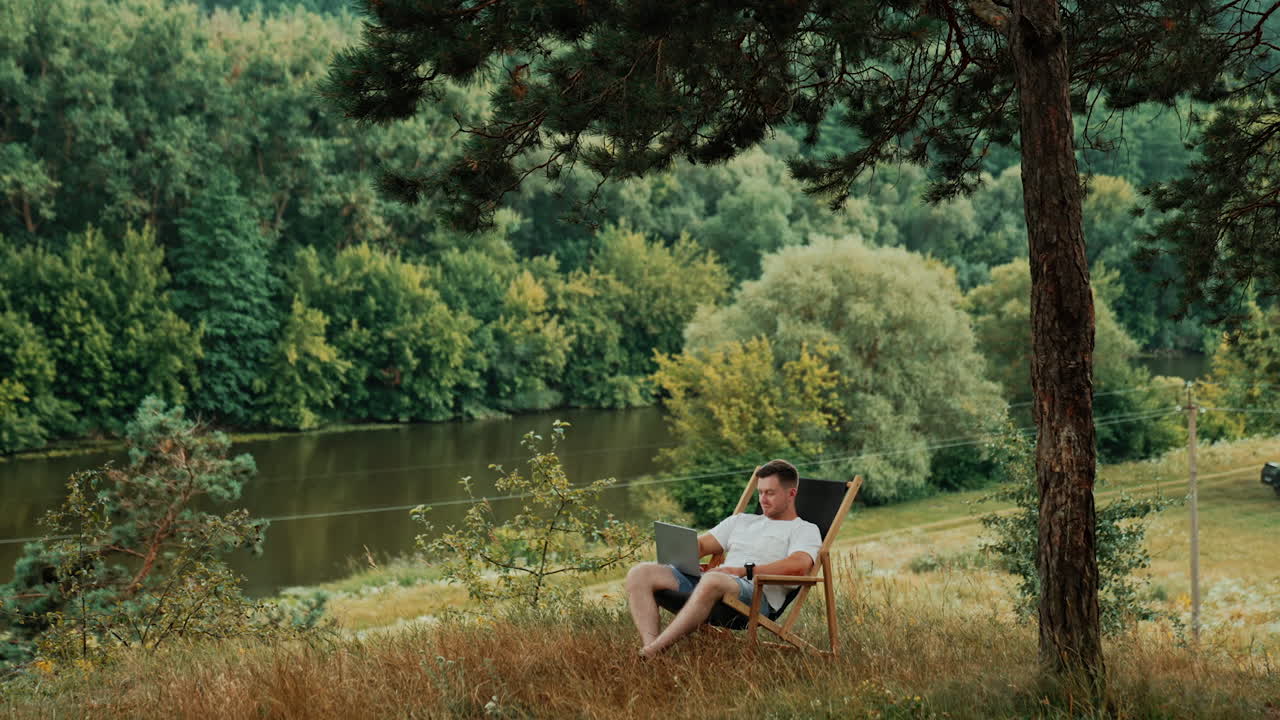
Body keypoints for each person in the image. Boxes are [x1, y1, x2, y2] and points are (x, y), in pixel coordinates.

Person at [624, 459, 822, 658]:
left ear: (791, 494)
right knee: (641, 572)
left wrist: (743, 571)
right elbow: (702, 545)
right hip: (715, 584)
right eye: (760, 492)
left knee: (713, 579)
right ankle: (651, 650)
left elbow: (799, 566)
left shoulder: (804, 529)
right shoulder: (742, 521)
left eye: (770, 493)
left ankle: (654, 651)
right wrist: (684, 554)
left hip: (754, 596)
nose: (763, 499)